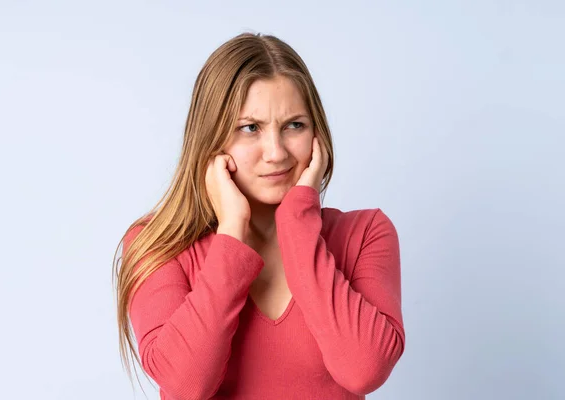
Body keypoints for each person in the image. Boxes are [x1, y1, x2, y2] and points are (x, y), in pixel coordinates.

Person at [113, 32, 405, 400]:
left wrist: (299, 225)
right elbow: (187, 385)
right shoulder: (156, 244)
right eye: (250, 128)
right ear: (211, 138)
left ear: (317, 135)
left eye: (294, 125)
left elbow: (364, 370)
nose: (276, 152)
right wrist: (232, 231)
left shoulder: (365, 234)